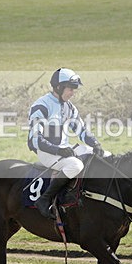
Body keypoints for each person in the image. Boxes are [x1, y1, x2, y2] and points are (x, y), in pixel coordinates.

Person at [28, 68, 104, 219]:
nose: (72, 93)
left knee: (104, 156)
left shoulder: (68, 106)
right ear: (58, 87)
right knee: (75, 165)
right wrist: (58, 150)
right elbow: (35, 139)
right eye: (70, 89)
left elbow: (81, 129)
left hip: (64, 149)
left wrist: (96, 144)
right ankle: (44, 200)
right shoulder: (41, 105)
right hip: (46, 152)